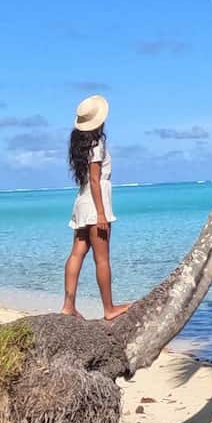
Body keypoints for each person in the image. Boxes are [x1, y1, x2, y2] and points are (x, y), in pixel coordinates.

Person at [61, 94, 131, 320]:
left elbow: (88, 180)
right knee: (102, 259)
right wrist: (101, 213)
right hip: (95, 201)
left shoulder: (80, 144)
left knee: (77, 253)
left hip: (82, 201)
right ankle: (109, 308)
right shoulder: (97, 143)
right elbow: (94, 179)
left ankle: (68, 306)